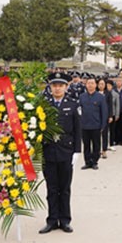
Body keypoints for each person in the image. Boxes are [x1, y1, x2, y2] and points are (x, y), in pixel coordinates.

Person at [39, 73, 81, 234]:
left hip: (66, 152)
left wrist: (77, 151)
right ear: (50, 88)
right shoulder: (44, 104)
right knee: (51, 188)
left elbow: (77, 130)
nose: (57, 88)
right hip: (48, 151)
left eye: (60, 85)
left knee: (64, 188)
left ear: (66, 87)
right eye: (54, 85)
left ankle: (65, 220)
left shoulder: (73, 104)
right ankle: (51, 220)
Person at [79, 76, 108, 170]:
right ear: (86, 85)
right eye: (88, 83)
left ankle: (95, 161)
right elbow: (79, 111)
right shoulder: (82, 97)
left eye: (92, 83)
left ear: (95, 85)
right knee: (86, 145)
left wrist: (103, 125)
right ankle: (87, 162)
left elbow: (104, 112)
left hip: (96, 125)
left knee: (96, 145)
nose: (90, 85)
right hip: (84, 125)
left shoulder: (100, 97)